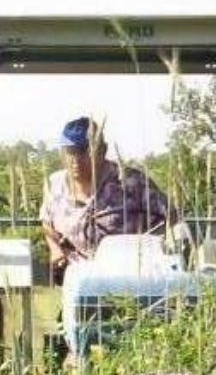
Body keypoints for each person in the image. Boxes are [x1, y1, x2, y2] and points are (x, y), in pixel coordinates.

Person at [39, 116, 176, 279]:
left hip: (128, 279)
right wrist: (56, 250)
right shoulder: (55, 185)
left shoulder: (131, 182)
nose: (75, 160)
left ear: (102, 150)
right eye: (70, 152)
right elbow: (47, 222)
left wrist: (152, 250)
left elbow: (171, 216)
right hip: (78, 281)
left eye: (84, 151)